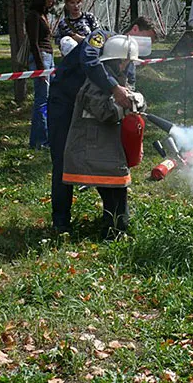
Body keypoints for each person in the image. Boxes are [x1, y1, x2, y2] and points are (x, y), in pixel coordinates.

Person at [47, 21, 156, 234]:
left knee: (104, 157)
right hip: (65, 102)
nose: (125, 65)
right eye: (147, 37)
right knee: (62, 159)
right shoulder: (101, 37)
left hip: (94, 106)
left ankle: (112, 217)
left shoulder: (126, 53)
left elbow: (128, 83)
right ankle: (61, 223)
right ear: (135, 30)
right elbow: (88, 60)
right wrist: (114, 88)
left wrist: (131, 100)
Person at [62, 35, 143, 240]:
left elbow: (128, 102)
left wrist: (137, 102)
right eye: (127, 62)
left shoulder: (117, 79)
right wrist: (129, 105)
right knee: (112, 191)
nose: (128, 66)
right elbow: (106, 113)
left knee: (118, 190)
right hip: (92, 146)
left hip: (106, 146)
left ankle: (117, 228)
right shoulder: (95, 84)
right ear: (118, 60)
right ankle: (113, 231)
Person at [26, 0, 57, 149]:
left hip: (49, 57)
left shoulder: (44, 15)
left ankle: (39, 139)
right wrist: (40, 69)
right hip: (41, 59)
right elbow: (34, 43)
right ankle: (41, 140)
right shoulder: (33, 16)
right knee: (42, 100)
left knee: (47, 99)